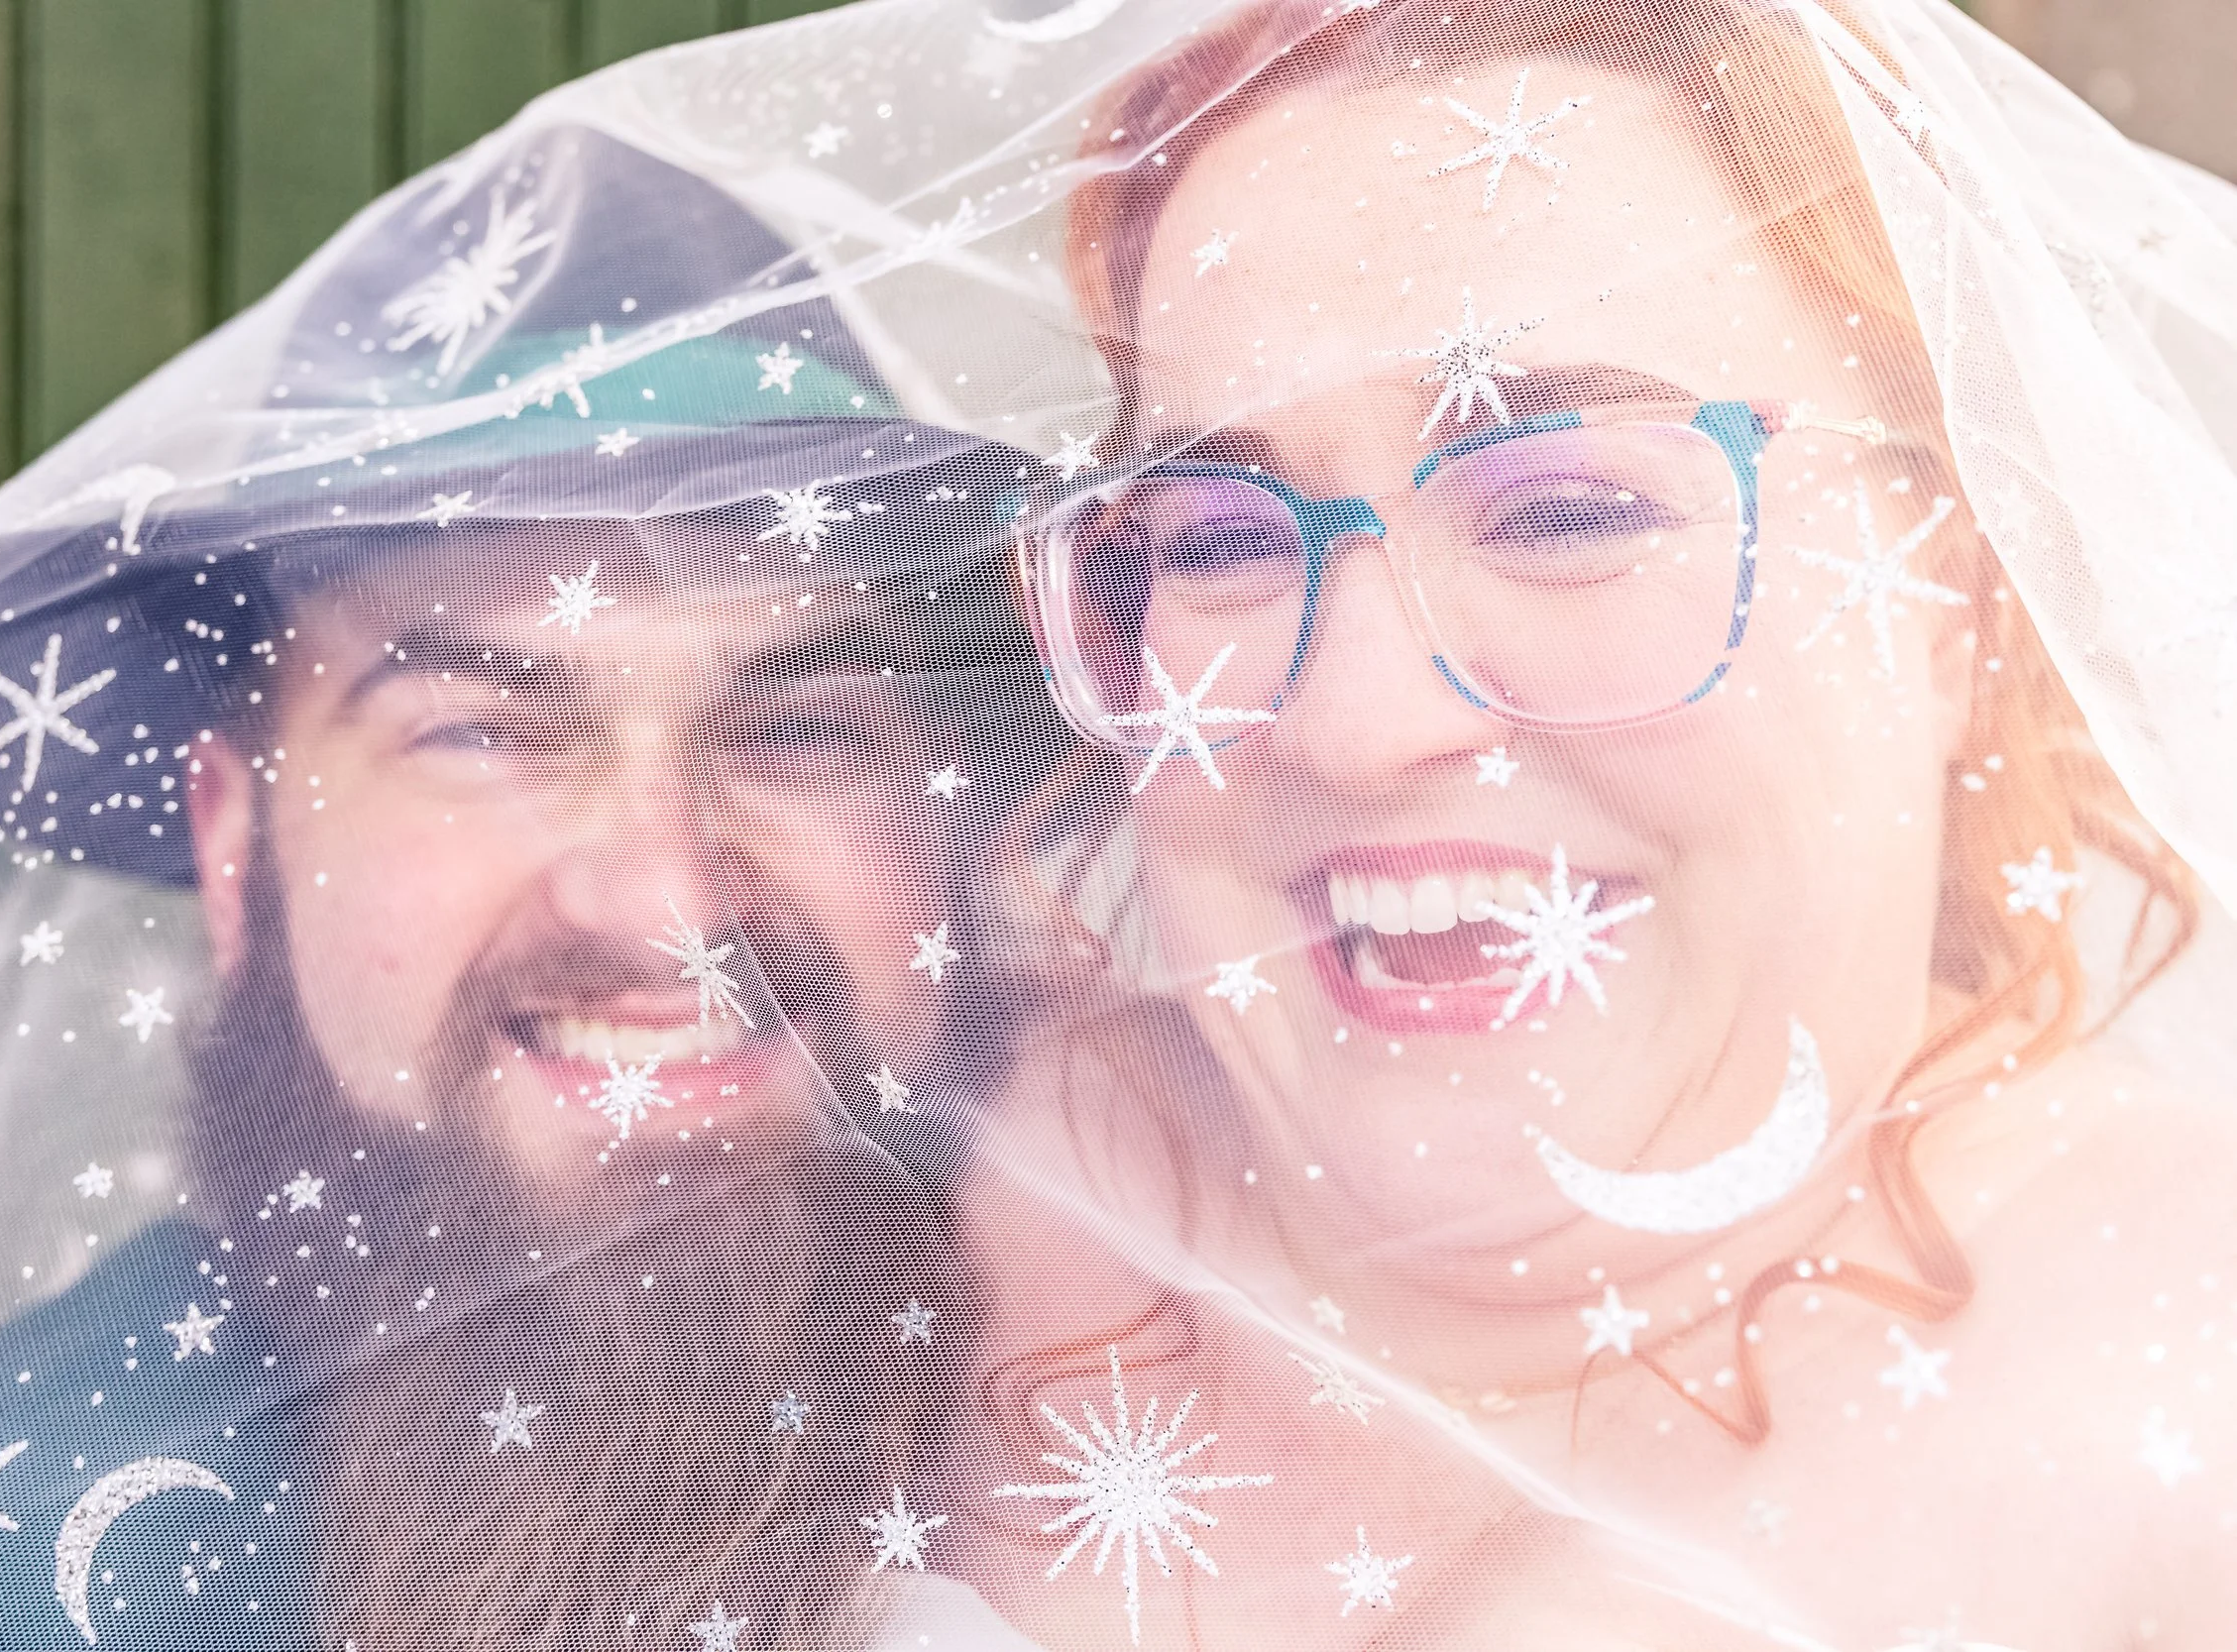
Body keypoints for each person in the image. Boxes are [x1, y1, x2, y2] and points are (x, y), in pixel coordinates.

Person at [915, 0, 2237, 1646]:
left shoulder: (2194, 1391)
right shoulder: (888, 1188)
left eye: (1569, 508)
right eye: (1213, 535)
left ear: (1957, 610)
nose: (1358, 719)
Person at [0, 125, 1046, 1649]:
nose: (672, 906)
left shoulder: (1218, 1493)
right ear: (243, 860)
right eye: (483, 732)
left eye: (800, 728)